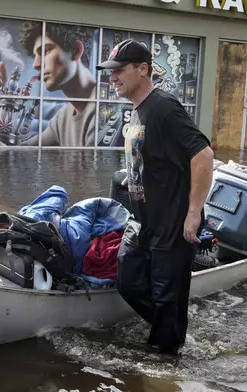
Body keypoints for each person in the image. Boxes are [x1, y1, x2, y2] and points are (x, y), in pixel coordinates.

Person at [96, 39, 214, 355]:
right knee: (129, 282)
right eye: (110, 72)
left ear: (143, 69)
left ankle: (167, 351)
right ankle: (171, 327)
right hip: (142, 222)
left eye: (119, 70)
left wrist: (194, 212)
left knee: (165, 298)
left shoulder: (163, 108)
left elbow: (202, 155)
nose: (113, 78)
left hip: (172, 224)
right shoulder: (138, 110)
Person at [0, 22, 97, 147]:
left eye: (45, 51)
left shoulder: (104, 112)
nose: (35, 64)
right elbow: (13, 154)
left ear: (75, 50)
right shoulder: (61, 119)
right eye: (35, 56)